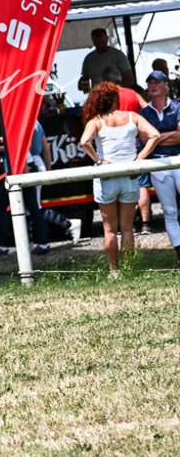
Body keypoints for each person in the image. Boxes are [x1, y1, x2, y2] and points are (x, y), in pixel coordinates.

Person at [80, 82, 160, 274]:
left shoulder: (96, 122)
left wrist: (99, 161)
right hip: (130, 176)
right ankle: (129, 269)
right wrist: (139, 159)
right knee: (127, 228)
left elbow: (84, 142)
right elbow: (155, 135)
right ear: (115, 99)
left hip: (106, 177)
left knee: (109, 229)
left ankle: (114, 270)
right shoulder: (133, 116)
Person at [139, 68, 180, 267]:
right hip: (158, 164)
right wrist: (168, 135)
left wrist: (156, 138)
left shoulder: (178, 107)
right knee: (170, 211)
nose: (153, 85)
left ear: (166, 85)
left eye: (157, 82)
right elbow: (144, 138)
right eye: (150, 82)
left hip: (178, 160)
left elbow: (179, 136)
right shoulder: (144, 113)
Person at [79, 28, 134, 92]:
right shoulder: (89, 59)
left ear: (107, 38)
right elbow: (84, 81)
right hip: (98, 97)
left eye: (102, 42)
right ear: (93, 41)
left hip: (117, 95)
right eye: (97, 43)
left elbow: (130, 81)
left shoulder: (118, 55)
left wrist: (112, 89)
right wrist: (88, 92)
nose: (100, 45)